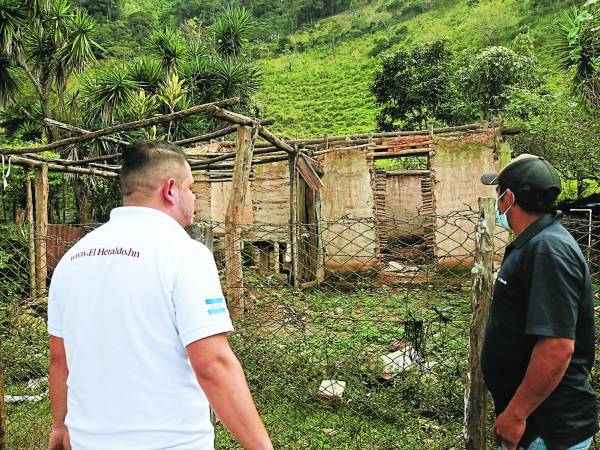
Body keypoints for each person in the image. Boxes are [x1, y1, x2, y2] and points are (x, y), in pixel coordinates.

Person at [47, 141, 273, 450]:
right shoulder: (185, 254)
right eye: (190, 188)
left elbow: (60, 359)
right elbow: (213, 364)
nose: (194, 198)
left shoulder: (73, 258)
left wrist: (60, 425)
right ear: (170, 190)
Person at [480, 154, 598, 450]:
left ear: (508, 198)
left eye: (498, 193)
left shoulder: (548, 251)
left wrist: (516, 415)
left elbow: (557, 346)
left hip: (546, 429)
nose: (497, 203)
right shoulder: (537, 243)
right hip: (536, 425)